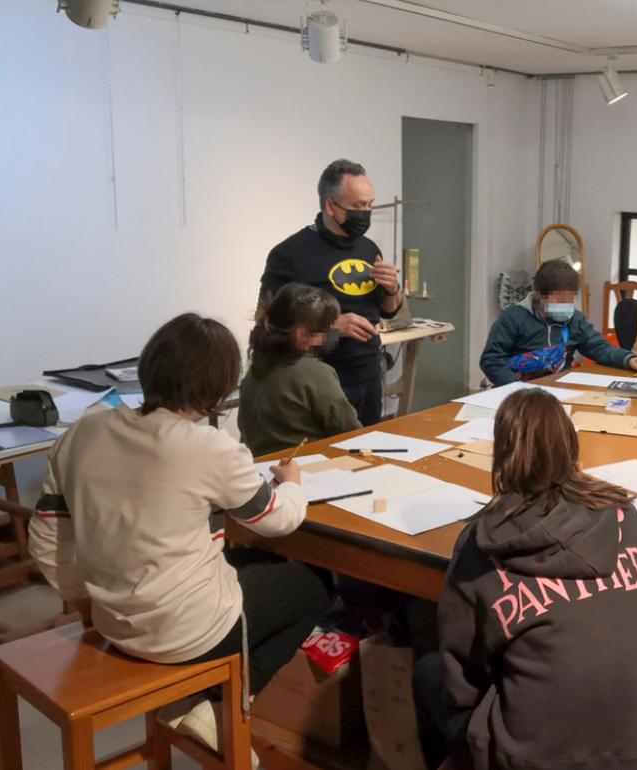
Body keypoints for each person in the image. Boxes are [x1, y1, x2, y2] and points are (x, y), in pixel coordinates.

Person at [29, 314, 328, 766]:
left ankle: (202, 698)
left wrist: (84, 601)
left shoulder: (84, 430)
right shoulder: (209, 448)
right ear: (221, 383)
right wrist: (292, 482)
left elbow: (48, 534)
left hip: (112, 621)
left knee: (247, 568)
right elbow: (278, 520)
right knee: (314, 585)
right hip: (189, 632)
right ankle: (223, 704)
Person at [420, 388, 637, 770]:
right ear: (572, 447)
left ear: (501, 457)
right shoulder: (623, 516)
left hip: (532, 759)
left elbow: (463, 660)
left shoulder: (482, 546)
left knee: (429, 672)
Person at [260, 159, 402, 427]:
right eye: (359, 206)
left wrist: (392, 288)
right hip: (317, 377)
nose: (366, 213)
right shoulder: (289, 254)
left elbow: (389, 309)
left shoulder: (369, 249)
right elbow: (268, 322)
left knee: (364, 453)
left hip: (368, 373)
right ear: (330, 206)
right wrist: (330, 324)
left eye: (370, 204)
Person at [479, 259, 637, 386]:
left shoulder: (574, 319)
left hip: (559, 391)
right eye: (560, 300)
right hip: (517, 393)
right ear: (539, 295)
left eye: (569, 301)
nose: (566, 306)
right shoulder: (513, 318)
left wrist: (629, 359)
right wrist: (517, 388)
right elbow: (492, 360)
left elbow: (599, 348)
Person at [238, 283, 361, 456]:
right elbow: (349, 431)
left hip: (260, 470)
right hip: (306, 470)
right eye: (325, 330)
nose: (328, 335)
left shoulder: (253, 372)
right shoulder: (317, 374)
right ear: (302, 334)